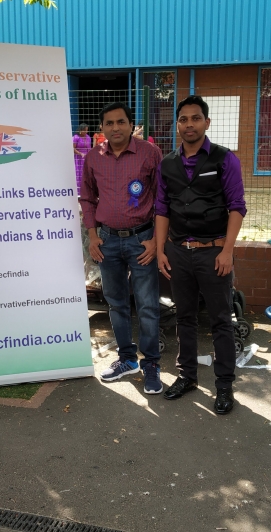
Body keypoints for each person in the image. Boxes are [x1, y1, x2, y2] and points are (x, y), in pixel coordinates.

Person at [155, 95, 247, 415]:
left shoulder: (225, 160)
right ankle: (188, 376)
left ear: (207, 123)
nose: (189, 124)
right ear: (177, 124)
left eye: (195, 118)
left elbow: (237, 207)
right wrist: (162, 250)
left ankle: (223, 385)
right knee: (185, 318)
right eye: (183, 119)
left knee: (221, 320)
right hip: (179, 253)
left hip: (213, 254)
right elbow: (162, 209)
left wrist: (227, 251)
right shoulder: (167, 164)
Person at [80, 102, 164, 394]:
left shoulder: (150, 154)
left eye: (120, 122)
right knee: (116, 303)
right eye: (109, 123)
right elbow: (88, 198)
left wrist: (156, 240)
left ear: (131, 124)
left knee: (148, 305)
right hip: (107, 241)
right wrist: (93, 236)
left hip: (142, 240)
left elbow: (162, 198)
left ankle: (151, 363)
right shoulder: (93, 158)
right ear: (102, 128)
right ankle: (127, 359)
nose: (115, 128)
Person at [72, 123, 92, 189]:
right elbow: (72, 148)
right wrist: (80, 153)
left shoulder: (88, 137)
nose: (86, 132)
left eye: (87, 130)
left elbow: (89, 148)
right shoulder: (75, 137)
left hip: (86, 158)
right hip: (78, 158)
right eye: (85, 130)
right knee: (79, 173)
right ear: (81, 130)